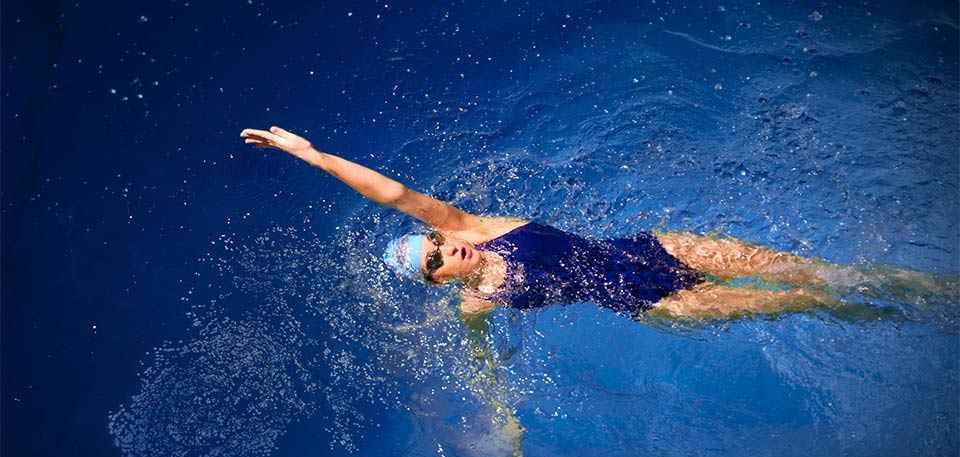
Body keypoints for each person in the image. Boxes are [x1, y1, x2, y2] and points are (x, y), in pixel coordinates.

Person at [241, 126, 863, 320]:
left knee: (814, 270)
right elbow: (481, 363)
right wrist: (498, 417)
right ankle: (909, 310)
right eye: (428, 264)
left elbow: (394, 193)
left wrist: (311, 155)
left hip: (648, 248)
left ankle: (921, 286)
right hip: (650, 305)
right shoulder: (477, 302)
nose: (439, 252)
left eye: (432, 243)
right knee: (803, 300)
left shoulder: (476, 226)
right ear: (434, 281)